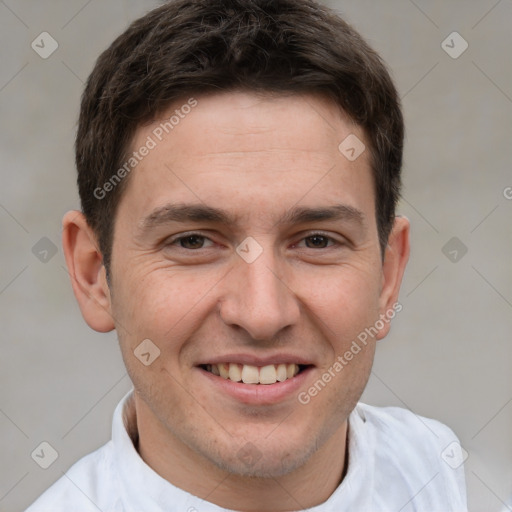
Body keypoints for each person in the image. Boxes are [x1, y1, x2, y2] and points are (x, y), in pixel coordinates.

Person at [26, 0, 468, 510]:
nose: (263, 314)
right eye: (192, 240)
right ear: (94, 275)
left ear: (388, 277)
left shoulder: (444, 474)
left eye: (317, 240)